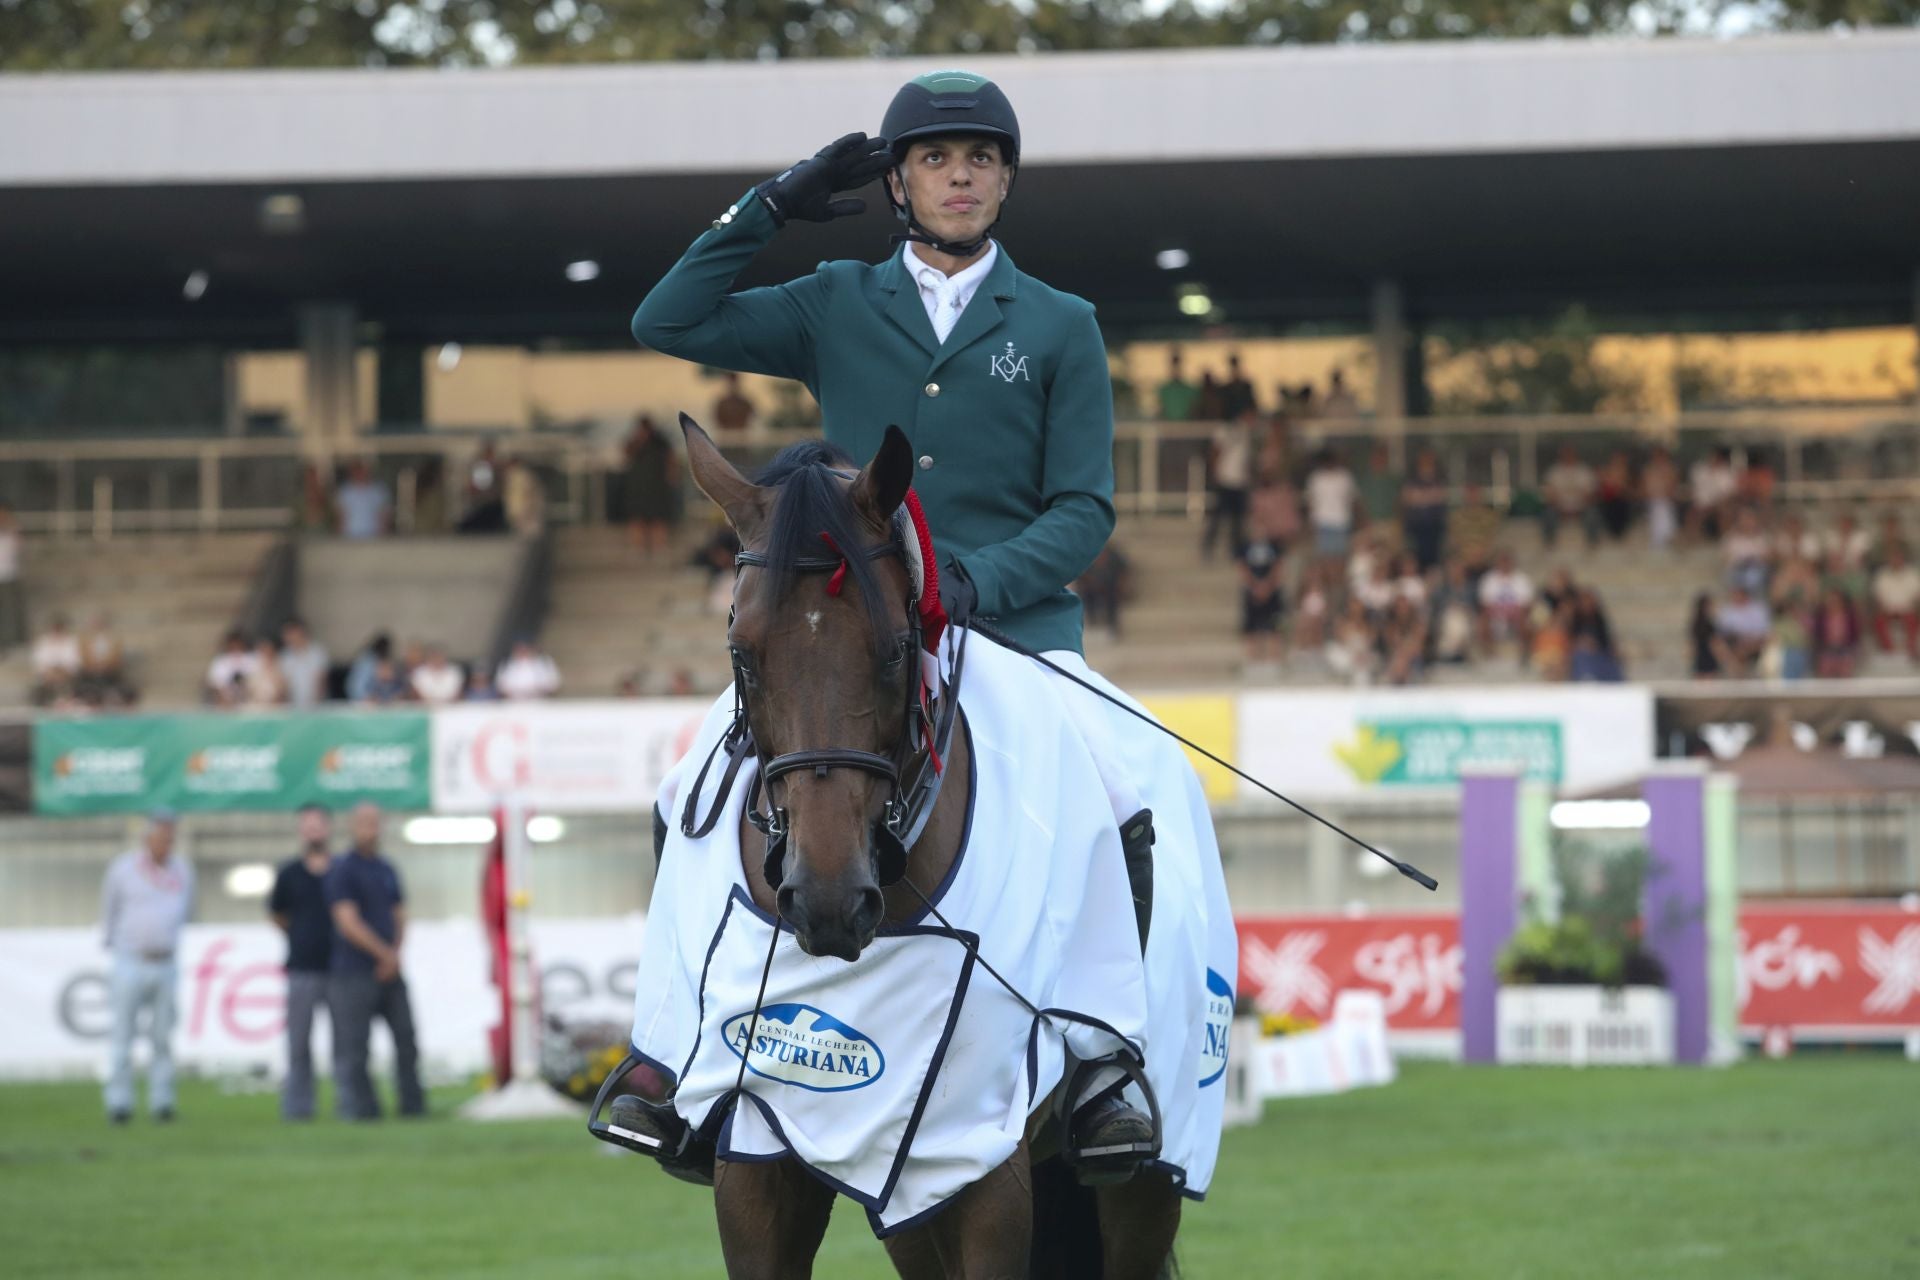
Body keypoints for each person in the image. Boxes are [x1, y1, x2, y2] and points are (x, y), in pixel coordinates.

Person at [628, 70, 1173, 1163]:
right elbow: (665, 317)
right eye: (935, 157)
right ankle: (669, 1051)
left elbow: (1085, 508)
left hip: (1012, 627)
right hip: (851, 621)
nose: (960, 173)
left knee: (1124, 784)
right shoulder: (836, 299)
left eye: (980, 157)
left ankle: (1109, 1060)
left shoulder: (1062, 324)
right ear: (899, 181)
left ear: (1006, 178)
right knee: (688, 783)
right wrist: (771, 204)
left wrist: (977, 578)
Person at [325, 802, 424, 1120]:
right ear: (353, 826)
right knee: (356, 1047)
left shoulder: (386, 868)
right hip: (354, 972)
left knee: (406, 1039)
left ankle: (412, 1106)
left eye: (375, 822)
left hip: (390, 969)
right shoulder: (343, 869)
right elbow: (347, 922)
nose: (371, 828)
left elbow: (400, 914)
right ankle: (363, 1110)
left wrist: (395, 954)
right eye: (364, 822)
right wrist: (384, 955)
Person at [100, 810, 192, 1124]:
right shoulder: (124, 870)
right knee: (122, 1035)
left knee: (163, 1037)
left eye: (171, 837)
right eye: (162, 837)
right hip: (131, 960)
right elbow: (109, 910)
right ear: (147, 838)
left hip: (166, 961)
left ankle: (162, 1102)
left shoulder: (182, 870)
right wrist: (117, 945)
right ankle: (119, 1103)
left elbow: (185, 910)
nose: (167, 843)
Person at [269, 805, 335, 1121]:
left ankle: (349, 1106)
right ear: (300, 830)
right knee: (298, 1045)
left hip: (341, 970)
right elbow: (278, 915)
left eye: (318, 825)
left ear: (329, 828)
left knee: (347, 1045)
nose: (313, 831)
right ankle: (298, 1108)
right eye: (307, 826)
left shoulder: (342, 869)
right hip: (302, 968)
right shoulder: (289, 873)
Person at [1201, 406, 1255, 560]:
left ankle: (1236, 551)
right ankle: (1208, 548)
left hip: (1240, 482)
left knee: (1237, 520)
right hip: (1224, 480)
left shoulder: (1247, 432)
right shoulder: (1225, 430)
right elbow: (1215, 452)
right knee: (1217, 518)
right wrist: (1214, 473)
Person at [622, 414, 680, 556]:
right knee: (637, 519)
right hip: (638, 487)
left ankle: (659, 546)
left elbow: (671, 461)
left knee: (658, 519)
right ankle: (637, 548)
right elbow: (626, 455)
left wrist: (672, 477)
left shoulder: (661, 443)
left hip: (657, 487)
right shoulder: (634, 443)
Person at [1237, 519, 1286, 665]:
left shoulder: (1274, 546)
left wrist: (1268, 585)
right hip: (1252, 591)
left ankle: (1274, 660)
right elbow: (1242, 567)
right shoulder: (1245, 547)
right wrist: (1254, 586)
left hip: (1272, 591)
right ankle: (1253, 661)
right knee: (1251, 627)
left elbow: (1279, 566)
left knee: (1274, 627)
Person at [1541, 443, 1599, 549]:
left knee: (1593, 515)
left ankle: (1593, 544)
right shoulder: (1554, 472)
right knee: (1548, 515)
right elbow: (1549, 494)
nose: (1567, 457)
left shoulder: (1584, 471)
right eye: (1565, 454)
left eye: (1570, 454)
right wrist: (1561, 507)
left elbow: (1590, 494)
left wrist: (1577, 507)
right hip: (1559, 508)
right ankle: (1549, 543)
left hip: (1581, 508)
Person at [1399, 449, 1449, 572]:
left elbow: (1440, 497)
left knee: (1433, 558)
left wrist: (1421, 497)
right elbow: (1407, 498)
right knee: (1416, 556)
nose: (1427, 465)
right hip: (1416, 526)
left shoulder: (1438, 480)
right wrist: (1427, 497)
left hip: (1434, 525)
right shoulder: (1412, 480)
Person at [1304, 448, 1358, 561]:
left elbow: (1352, 500)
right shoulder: (1316, 478)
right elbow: (1311, 502)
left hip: (1341, 522)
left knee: (1341, 557)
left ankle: (1339, 578)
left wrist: (1356, 521)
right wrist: (1311, 524)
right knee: (1324, 557)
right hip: (1322, 522)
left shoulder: (1344, 477)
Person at [1869, 541, 1920, 660]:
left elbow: (1917, 597)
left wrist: (1908, 608)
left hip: (1907, 610)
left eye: (1898, 558)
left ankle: (1910, 650)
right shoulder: (1882, 575)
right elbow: (1878, 597)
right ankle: (1890, 650)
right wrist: (1886, 608)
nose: (1896, 561)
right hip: (1887, 610)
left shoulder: (1912, 575)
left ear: (1903, 559)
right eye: (1893, 558)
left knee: (1913, 619)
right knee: (1879, 621)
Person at [76, 612, 136, 707]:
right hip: (91, 670)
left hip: (109, 670)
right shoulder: (85, 639)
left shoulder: (113, 638)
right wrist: (94, 665)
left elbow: (117, 655)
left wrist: (105, 664)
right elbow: (83, 655)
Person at [31, 613, 82, 706]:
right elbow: (40, 661)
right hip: (48, 674)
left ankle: (67, 701)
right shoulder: (43, 642)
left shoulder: (71, 641)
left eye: (59, 628)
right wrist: (49, 672)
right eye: (54, 628)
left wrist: (63, 671)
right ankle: (48, 702)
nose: (56, 631)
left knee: (67, 682)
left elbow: (74, 660)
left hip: (66, 674)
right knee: (44, 683)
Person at [279, 618, 330, 709]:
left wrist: (315, 705)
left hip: (316, 707)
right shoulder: (285, 657)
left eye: (291, 633)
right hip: (292, 707)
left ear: (300, 631)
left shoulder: (317, 653)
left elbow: (321, 682)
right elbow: (284, 684)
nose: (288, 637)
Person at [334, 460, 391, 540]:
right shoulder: (345, 491)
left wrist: (383, 538)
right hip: (349, 538)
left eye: (362, 469)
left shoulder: (379, 490)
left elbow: (385, 517)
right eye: (357, 470)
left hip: (374, 538)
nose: (360, 472)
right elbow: (340, 517)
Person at [203, 627, 256, 707]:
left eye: (238, 643)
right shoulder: (221, 661)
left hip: (248, 697)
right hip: (225, 699)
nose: (235, 646)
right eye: (233, 643)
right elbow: (214, 682)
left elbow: (255, 680)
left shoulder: (251, 659)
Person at [1642, 446, 1679, 551]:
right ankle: (1657, 543)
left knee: (1662, 508)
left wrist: (1662, 493)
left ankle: (1664, 541)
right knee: (1657, 508)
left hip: (1665, 501)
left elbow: (1671, 487)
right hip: (1651, 501)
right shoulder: (1648, 469)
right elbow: (1645, 487)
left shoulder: (1671, 469)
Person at [496, 640, 561, 699]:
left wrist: (537, 689)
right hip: (514, 702)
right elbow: (500, 685)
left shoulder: (544, 662)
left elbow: (554, 683)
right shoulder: (507, 663)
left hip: (539, 700)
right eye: (520, 649)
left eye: (526, 649)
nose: (523, 651)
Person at [0, 506, 23, 654]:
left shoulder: (11, 534)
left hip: (8, 576)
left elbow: (19, 543)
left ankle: (10, 641)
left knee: (9, 612)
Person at [244, 636, 288, 707]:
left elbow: (283, 691)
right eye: (264, 650)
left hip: (276, 707)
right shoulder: (252, 668)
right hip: (256, 708)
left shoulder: (281, 668)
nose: (267, 653)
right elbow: (249, 690)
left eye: (269, 650)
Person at [1156, 349, 1198, 422]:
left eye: (1177, 363)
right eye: (1174, 363)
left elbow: (1194, 411)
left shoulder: (1190, 390)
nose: (1176, 368)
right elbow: (1160, 411)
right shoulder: (1164, 390)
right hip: (1168, 428)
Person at [1219, 352, 1257, 421]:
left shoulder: (1246, 387)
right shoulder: (1227, 389)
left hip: (1245, 420)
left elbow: (1251, 405)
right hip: (1231, 420)